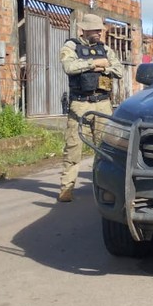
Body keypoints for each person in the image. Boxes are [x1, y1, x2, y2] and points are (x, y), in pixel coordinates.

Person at [57, 12, 124, 202]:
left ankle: (105, 188)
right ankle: (66, 188)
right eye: (95, 30)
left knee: (105, 149)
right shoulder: (71, 46)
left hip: (103, 104)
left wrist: (104, 68)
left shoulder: (106, 49)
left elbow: (118, 70)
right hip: (80, 104)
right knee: (73, 148)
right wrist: (93, 64)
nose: (99, 33)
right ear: (83, 30)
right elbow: (68, 67)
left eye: (100, 30)